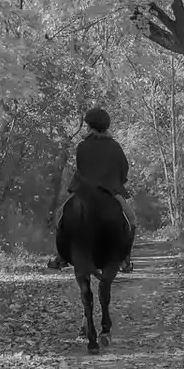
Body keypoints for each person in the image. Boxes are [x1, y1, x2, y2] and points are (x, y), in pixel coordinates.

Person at [50, 107, 136, 272]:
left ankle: (60, 257)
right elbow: (123, 168)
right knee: (132, 220)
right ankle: (125, 260)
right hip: (110, 192)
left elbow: (82, 170)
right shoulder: (115, 146)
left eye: (87, 125)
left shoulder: (82, 146)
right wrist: (118, 181)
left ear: (89, 126)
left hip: (84, 191)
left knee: (59, 214)